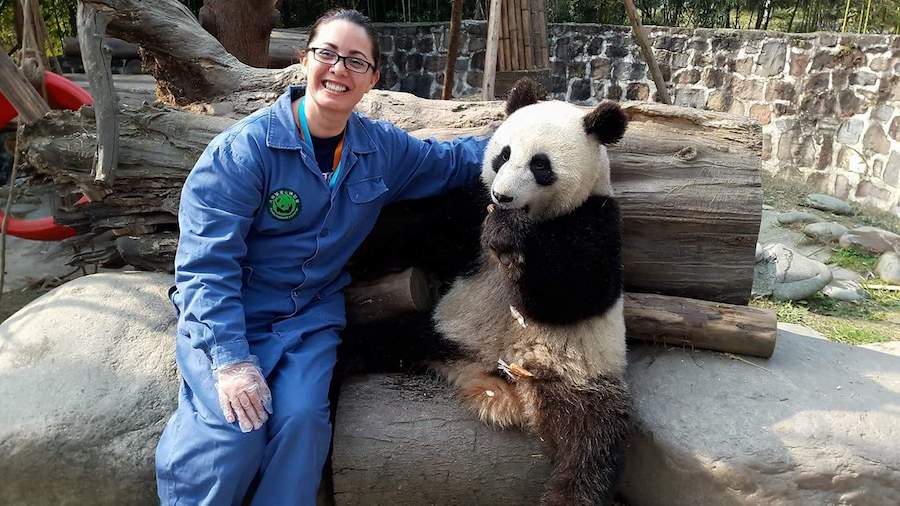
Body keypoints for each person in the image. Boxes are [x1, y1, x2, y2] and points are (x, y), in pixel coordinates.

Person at [154, 9, 489, 505]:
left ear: (373, 78)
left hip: (309, 317)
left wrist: (535, 136)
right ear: (303, 60)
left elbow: (453, 160)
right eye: (327, 54)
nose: (339, 69)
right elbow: (206, 268)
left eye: (356, 61)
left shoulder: (382, 150)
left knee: (302, 424)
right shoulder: (242, 153)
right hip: (233, 313)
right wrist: (229, 361)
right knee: (233, 436)